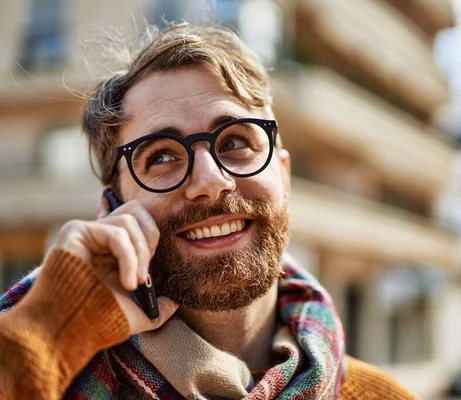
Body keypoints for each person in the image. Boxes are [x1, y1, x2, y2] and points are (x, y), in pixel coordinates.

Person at [0, 23, 416, 400]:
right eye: (161, 156)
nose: (209, 180)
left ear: (283, 177)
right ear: (112, 207)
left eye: (235, 142)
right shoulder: (42, 367)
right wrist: (52, 328)